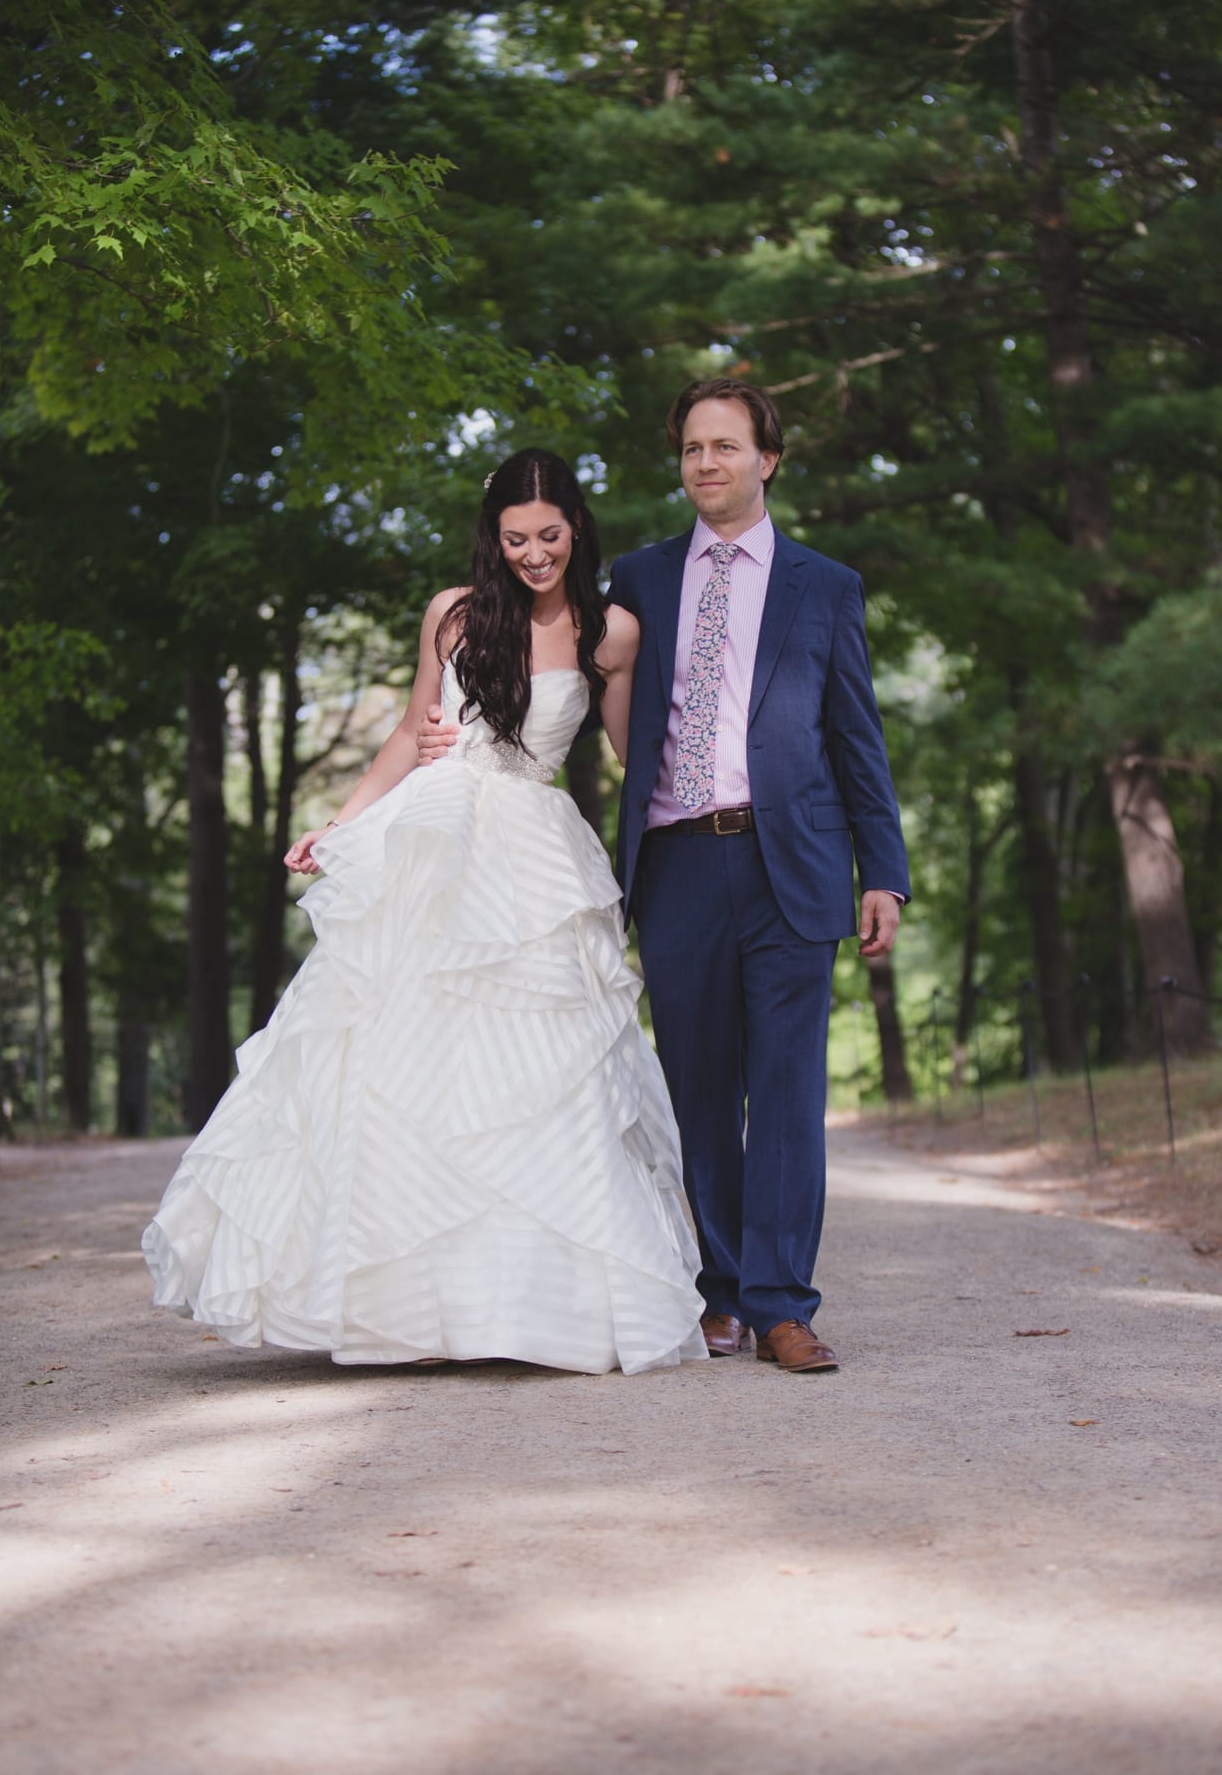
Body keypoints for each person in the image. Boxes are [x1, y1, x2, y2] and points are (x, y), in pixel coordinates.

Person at [142, 449, 709, 1375]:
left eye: (551, 536)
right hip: (437, 833)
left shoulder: (613, 633)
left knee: (540, 1067)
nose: (534, 555)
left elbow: (631, 751)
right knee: (400, 1052)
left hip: (535, 850)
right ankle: (406, 1302)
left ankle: (532, 1308)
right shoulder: (453, 615)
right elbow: (413, 730)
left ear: (577, 528)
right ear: (494, 537)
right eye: (516, 539)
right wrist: (339, 824)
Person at [419, 382, 910, 1373]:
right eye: (691, 448)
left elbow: (858, 740)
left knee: (782, 1087)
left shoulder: (825, 587)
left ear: (768, 458)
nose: (706, 464)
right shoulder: (635, 583)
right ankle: (716, 1290)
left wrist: (882, 872)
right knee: (695, 1088)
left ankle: (781, 1304)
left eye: (726, 446)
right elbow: (530, 613)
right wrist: (455, 718)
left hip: (795, 864)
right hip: (677, 857)